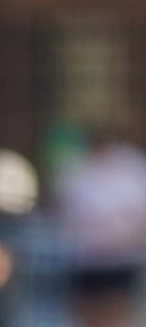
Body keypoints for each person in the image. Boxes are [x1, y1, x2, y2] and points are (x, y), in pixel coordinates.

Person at [54, 124, 146, 327]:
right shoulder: (77, 169)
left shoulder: (129, 169)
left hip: (120, 259)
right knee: (88, 313)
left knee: (116, 313)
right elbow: (65, 210)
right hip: (85, 259)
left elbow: (137, 212)